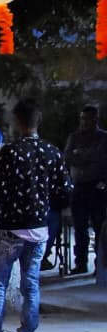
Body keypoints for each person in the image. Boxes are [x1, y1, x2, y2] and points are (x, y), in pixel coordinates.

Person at [0, 99, 72, 332]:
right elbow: (64, 192)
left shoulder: (12, 152)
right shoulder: (53, 152)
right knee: (31, 285)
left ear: (18, 121)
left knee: (1, 285)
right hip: (39, 230)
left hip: (11, 229)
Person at [63, 105, 107, 274]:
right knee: (79, 228)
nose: (84, 122)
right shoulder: (74, 137)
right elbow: (68, 157)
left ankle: (100, 265)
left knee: (98, 227)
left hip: (97, 187)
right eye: (82, 118)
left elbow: (100, 157)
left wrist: (80, 154)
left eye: (87, 118)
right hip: (79, 187)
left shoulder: (103, 137)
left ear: (95, 119)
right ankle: (80, 263)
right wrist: (87, 155)